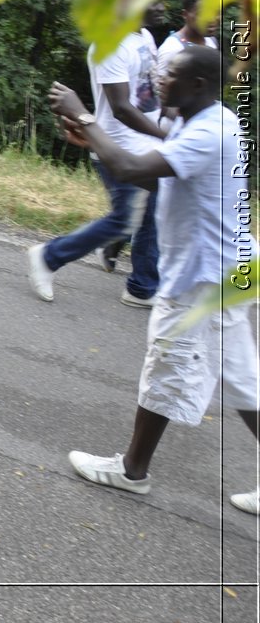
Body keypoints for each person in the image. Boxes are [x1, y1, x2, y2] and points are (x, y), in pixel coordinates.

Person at [48, 45, 257, 515]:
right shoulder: (207, 119)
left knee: (166, 362)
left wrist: (85, 117)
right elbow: (161, 177)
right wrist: (93, 138)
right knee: (241, 378)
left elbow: (130, 169)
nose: (159, 78)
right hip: (227, 270)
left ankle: (131, 471)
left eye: (170, 74)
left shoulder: (209, 133)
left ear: (198, 84)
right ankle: (133, 469)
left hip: (204, 276)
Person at [27, 4, 166, 307]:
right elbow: (122, 109)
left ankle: (142, 287)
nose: (161, 6)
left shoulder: (144, 36)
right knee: (124, 220)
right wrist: (167, 136)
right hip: (116, 148)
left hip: (146, 144)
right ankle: (48, 257)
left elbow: (147, 95)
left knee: (149, 216)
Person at [155, 0, 217, 81]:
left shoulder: (211, 41)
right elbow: (160, 91)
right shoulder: (173, 49)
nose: (212, 19)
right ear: (185, 15)